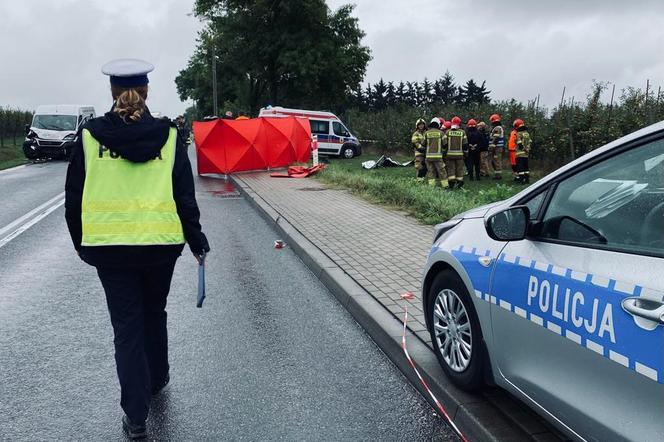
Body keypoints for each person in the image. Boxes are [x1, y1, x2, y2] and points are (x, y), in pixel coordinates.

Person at [64, 59, 210, 440]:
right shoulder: (170, 135)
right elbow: (184, 196)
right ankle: (157, 377)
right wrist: (197, 241)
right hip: (160, 247)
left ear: (112, 94)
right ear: (146, 93)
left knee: (127, 328)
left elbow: (73, 198)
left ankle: (136, 417)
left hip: (110, 250)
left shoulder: (90, 136)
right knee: (154, 311)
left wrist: (82, 243)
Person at [443, 116, 468, 189]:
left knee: (451, 169)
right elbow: (465, 145)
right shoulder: (462, 132)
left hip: (449, 155)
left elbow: (445, 144)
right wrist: (466, 153)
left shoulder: (448, 132)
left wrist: (444, 153)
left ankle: (451, 183)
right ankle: (460, 183)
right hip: (460, 155)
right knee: (459, 169)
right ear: (459, 124)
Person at [424, 118, 449, 188]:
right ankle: (445, 185)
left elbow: (423, 144)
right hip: (438, 156)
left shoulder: (426, 133)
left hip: (428, 156)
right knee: (442, 171)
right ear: (438, 125)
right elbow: (445, 144)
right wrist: (443, 151)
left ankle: (431, 186)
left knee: (431, 171)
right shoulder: (441, 133)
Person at [488, 113, 505, 180]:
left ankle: (498, 176)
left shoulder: (497, 128)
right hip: (496, 148)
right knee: (494, 161)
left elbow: (495, 139)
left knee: (496, 161)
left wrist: (492, 147)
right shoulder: (496, 128)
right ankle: (496, 174)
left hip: (497, 148)